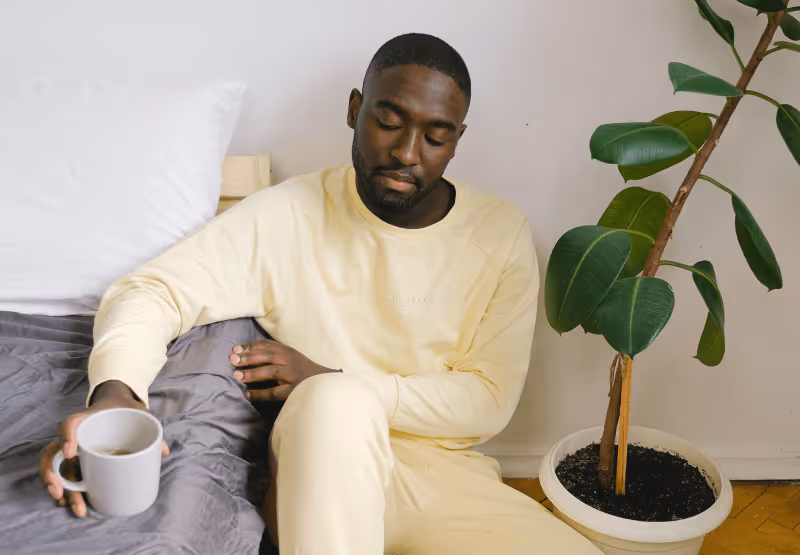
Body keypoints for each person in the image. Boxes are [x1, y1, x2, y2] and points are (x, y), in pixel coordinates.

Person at [40, 33, 601, 554]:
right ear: (356, 109)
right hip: (320, 463)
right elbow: (153, 291)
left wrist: (334, 378)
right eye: (389, 121)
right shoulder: (288, 215)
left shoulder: (500, 232)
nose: (408, 153)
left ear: (456, 140)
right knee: (335, 404)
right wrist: (115, 393)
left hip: (444, 477)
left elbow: (488, 402)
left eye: (435, 136)